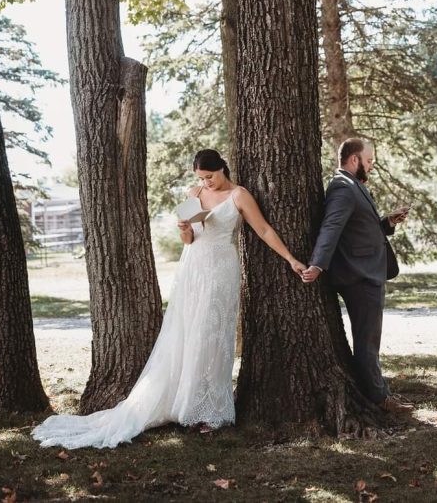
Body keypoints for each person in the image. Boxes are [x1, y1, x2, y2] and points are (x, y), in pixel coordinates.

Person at [32, 149, 305, 449]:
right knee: (186, 334)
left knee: (211, 335)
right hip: (192, 267)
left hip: (220, 269)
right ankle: (184, 402)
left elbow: (263, 229)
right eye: (201, 178)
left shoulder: (238, 195)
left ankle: (209, 409)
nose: (206, 183)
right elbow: (189, 240)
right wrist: (185, 230)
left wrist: (291, 259)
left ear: (222, 169)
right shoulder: (194, 193)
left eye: (210, 177)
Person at [301, 136, 413, 413]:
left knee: (369, 340)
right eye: (369, 160)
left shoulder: (352, 185)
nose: (372, 165)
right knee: (367, 342)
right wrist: (317, 264)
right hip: (360, 277)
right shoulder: (343, 187)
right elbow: (332, 227)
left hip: (367, 272)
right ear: (354, 159)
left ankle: (377, 392)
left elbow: (357, 228)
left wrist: (387, 222)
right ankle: (380, 399)